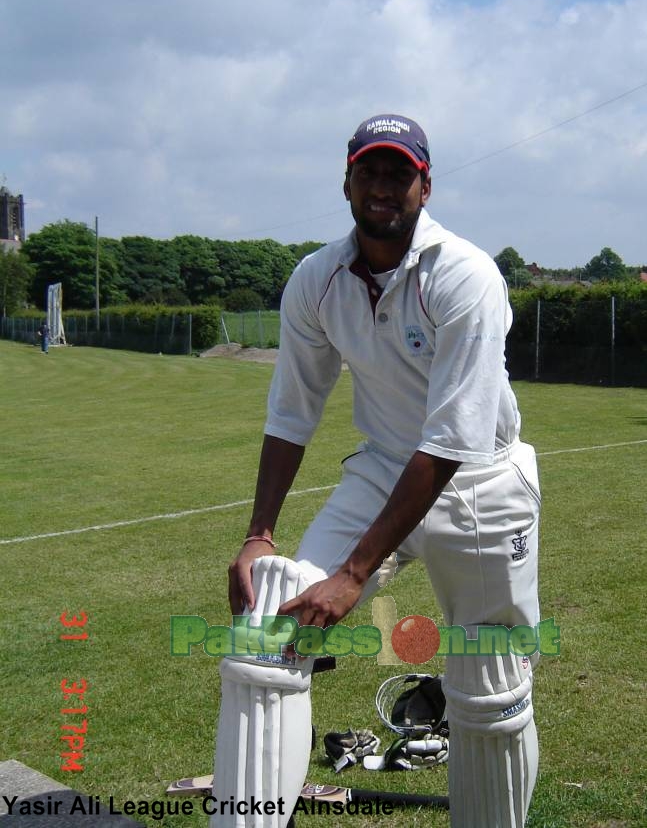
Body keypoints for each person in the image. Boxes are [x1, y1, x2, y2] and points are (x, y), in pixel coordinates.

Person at [216, 114, 541, 828]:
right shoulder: (317, 277)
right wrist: (259, 533)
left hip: (479, 479)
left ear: (425, 186)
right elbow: (292, 412)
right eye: (370, 171)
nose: (384, 186)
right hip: (384, 465)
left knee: (487, 690)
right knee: (268, 633)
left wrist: (354, 572)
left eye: (400, 173)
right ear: (347, 181)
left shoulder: (465, 274)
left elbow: (451, 439)